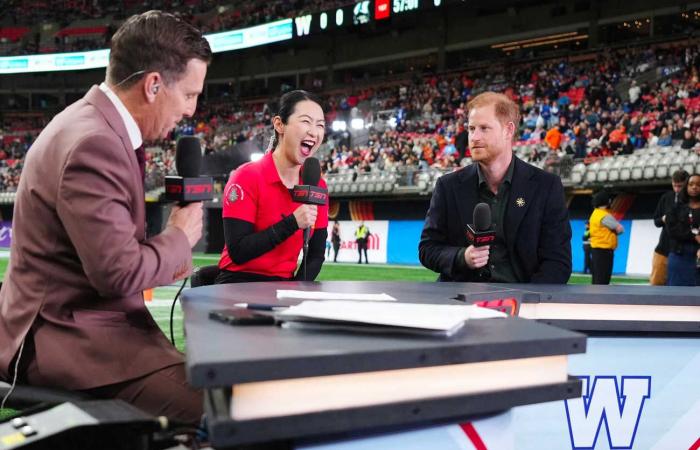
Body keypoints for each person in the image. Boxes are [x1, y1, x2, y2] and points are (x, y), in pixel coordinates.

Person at [0, 11, 211, 425]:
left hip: (79, 329)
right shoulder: (95, 142)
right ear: (153, 85)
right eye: (189, 94)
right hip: (71, 342)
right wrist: (178, 237)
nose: (191, 110)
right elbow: (116, 273)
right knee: (233, 412)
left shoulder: (93, 125)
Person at [419, 91, 572, 283]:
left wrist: (526, 300)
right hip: (461, 302)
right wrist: (462, 257)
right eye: (471, 128)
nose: (474, 137)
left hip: (522, 302)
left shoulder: (546, 186)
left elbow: (558, 262)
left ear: (508, 130)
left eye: (484, 128)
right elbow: (428, 248)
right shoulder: (448, 186)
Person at [215, 90, 328, 283]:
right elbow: (239, 252)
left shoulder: (317, 185)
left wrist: (295, 291)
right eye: (306, 121)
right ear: (279, 125)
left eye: (320, 125)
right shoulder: (247, 176)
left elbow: (316, 256)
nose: (314, 131)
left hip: (283, 286)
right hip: (237, 282)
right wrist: (293, 222)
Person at [650, 170, 689, 285]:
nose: (677, 189)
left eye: (680, 186)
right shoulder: (666, 197)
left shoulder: (693, 201)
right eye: (674, 185)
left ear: (686, 184)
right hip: (663, 249)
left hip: (683, 251)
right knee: (656, 284)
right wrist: (663, 219)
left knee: (680, 286)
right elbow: (656, 221)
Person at [665, 173, 700, 286]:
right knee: (677, 293)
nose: (694, 187)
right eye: (691, 184)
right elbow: (672, 230)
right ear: (686, 187)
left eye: (699, 184)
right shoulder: (675, 208)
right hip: (679, 254)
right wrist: (694, 236)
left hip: (698, 254)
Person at [589, 191, 624, 285]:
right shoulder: (604, 215)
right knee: (603, 279)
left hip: (596, 249)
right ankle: (600, 299)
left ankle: (594, 298)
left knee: (597, 278)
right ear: (606, 202)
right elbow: (620, 229)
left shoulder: (595, 214)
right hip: (604, 251)